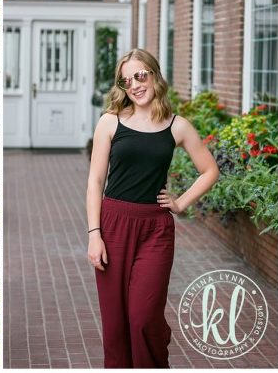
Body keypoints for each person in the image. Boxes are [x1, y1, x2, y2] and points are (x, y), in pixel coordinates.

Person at [86, 48, 219, 367]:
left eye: (140, 75)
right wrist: (94, 234)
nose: (134, 84)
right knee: (116, 325)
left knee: (144, 318)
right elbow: (95, 181)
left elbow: (210, 170)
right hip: (113, 224)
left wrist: (180, 202)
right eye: (126, 79)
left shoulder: (178, 126)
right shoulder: (110, 122)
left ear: (155, 76)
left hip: (155, 230)